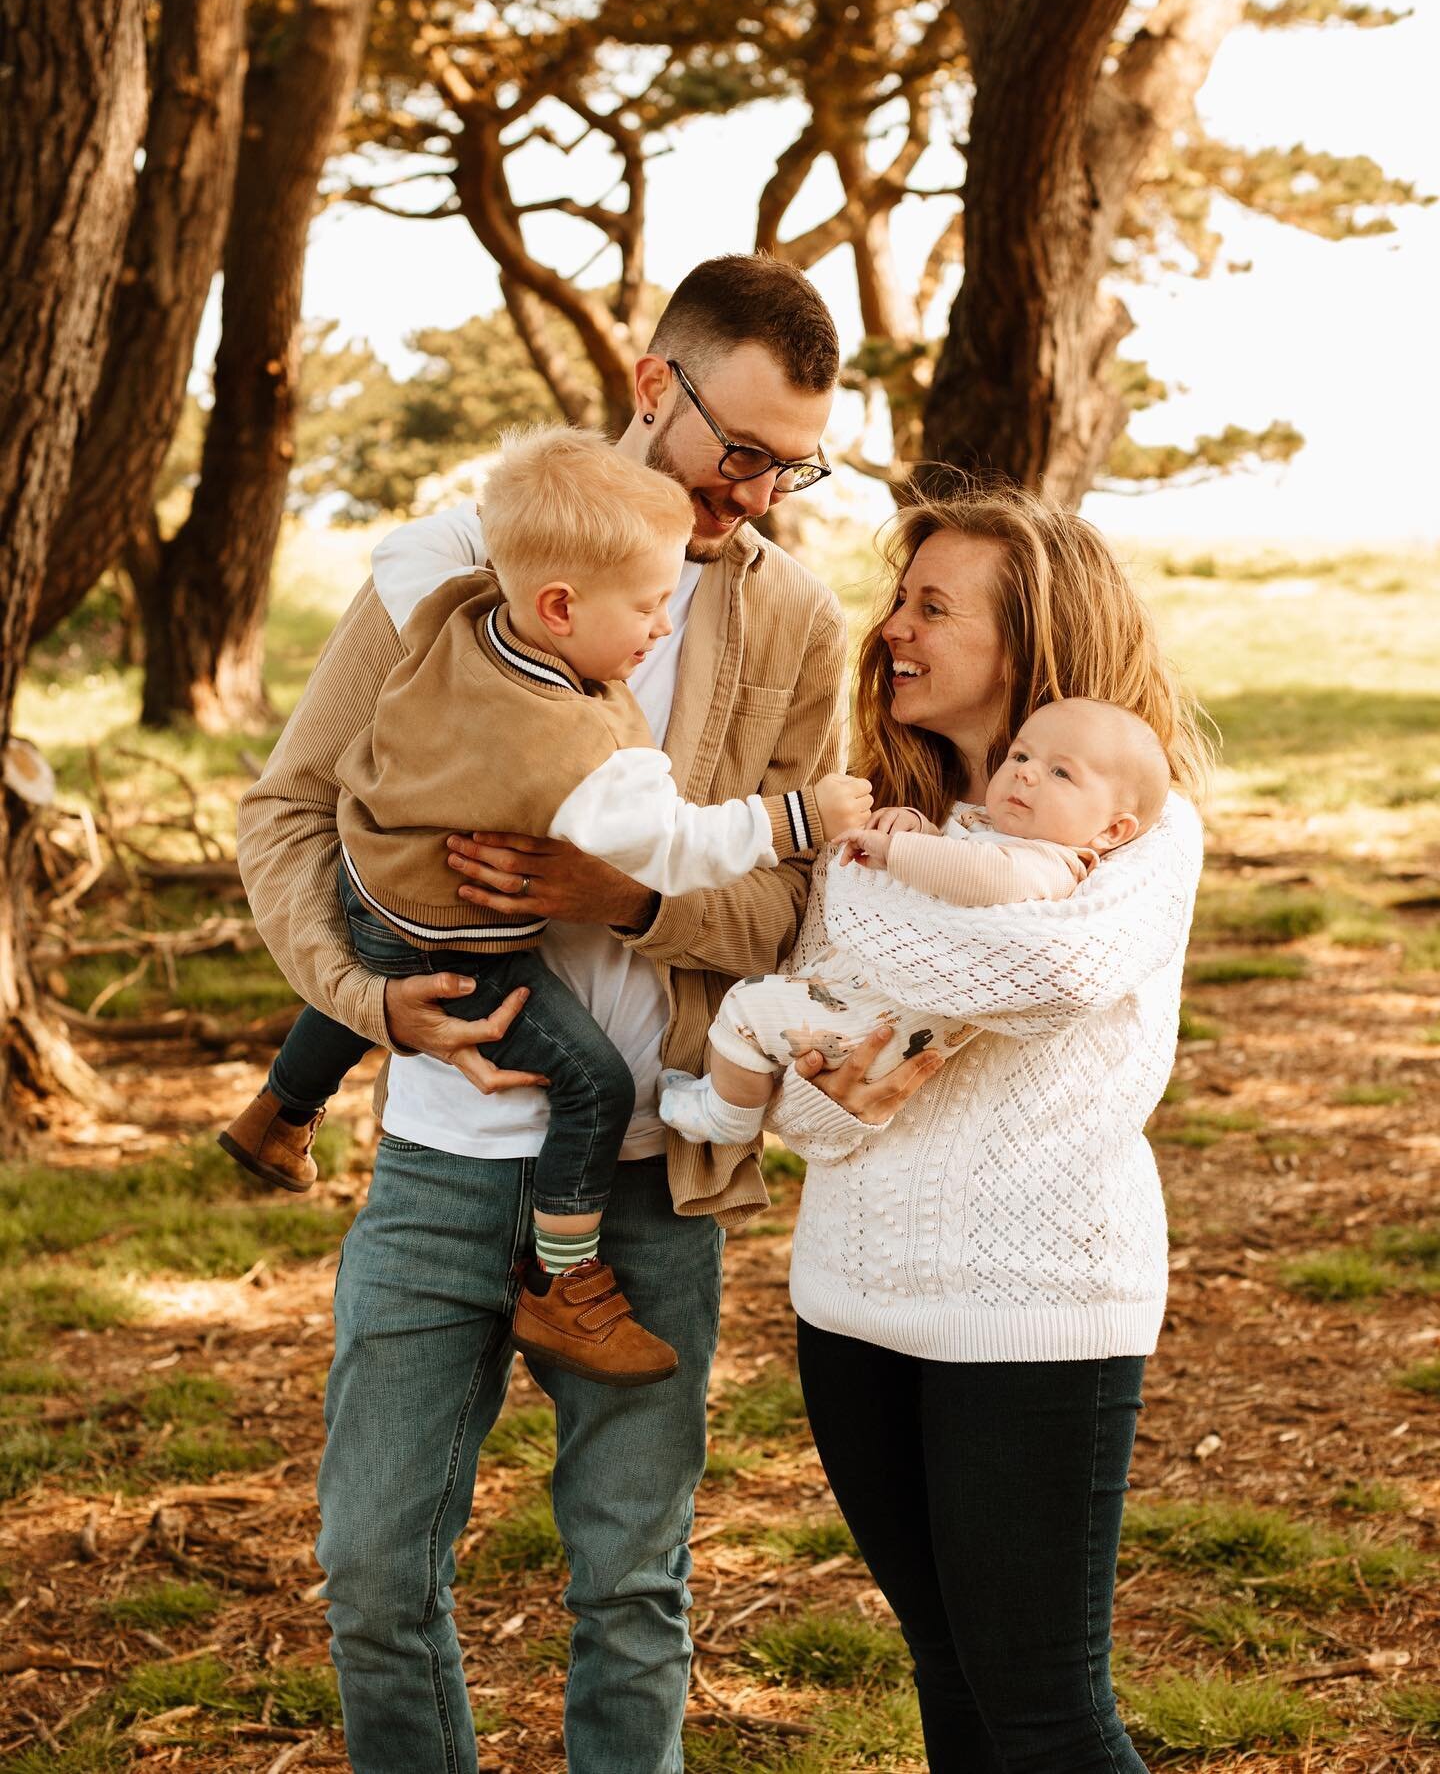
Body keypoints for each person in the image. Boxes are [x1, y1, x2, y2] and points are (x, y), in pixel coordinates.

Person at [235, 254, 939, 1774]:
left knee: (631, 1584)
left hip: (648, 1177)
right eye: (737, 449)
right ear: (651, 385)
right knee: (369, 1573)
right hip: (434, 1162)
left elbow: (790, 913)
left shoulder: (800, 618)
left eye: (790, 463)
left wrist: (614, 892)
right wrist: (366, 996)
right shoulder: (446, 561)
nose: (755, 489)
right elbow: (288, 812)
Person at [221, 427, 868, 1387]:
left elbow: (403, 550)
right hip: (468, 961)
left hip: (380, 891)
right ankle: (563, 1282)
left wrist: (517, 534)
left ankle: (281, 1107)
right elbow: (686, 844)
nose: (659, 625)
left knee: (389, 947)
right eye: (650, 608)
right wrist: (801, 815)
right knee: (592, 1083)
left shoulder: (454, 609)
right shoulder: (577, 744)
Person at [761, 480, 1213, 1773]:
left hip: (1036, 1302)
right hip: (850, 1294)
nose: (893, 626)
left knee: (1046, 1713)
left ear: (1030, 640)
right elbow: (808, 1100)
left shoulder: (1144, 826)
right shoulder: (881, 819)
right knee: (949, 1678)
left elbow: (1053, 972)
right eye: (900, 598)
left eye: (934, 606)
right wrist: (920, 926)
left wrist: (874, 918)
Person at [658, 696, 1171, 1145]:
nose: (1026, 772)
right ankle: (722, 1096)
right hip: (864, 1007)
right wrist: (916, 827)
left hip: (873, 1028)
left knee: (747, 1008)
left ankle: (725, 1116)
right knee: (755, 1014)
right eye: (1020, 755)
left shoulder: (1051, 864)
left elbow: (976, 876)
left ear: (1111, 831)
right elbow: (952, 858)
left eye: (1062, 773)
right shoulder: (992, 830)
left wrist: (899, 850)